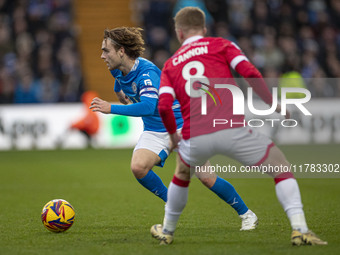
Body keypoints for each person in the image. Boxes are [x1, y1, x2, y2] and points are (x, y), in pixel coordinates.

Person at [151, 7, 327, 246]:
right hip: (231, 127)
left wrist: (173, 137)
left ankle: (168, 232)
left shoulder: (171, 64)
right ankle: (300, 229)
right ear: (204, 29)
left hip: (196, 135)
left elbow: (163, 107)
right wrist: (272, 103)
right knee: (281, 166)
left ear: (179, 33)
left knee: (182, 175)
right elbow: (250, 72)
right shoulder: (222, 45)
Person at [90, 27, 258, 230]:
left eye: (106, 50)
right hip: (154, 129)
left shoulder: (147, 73)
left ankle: (247, 214)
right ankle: (171, 201)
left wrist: (112, 108)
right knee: (138, 167)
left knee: (206, 177)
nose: (102, 55)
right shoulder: (116, 68)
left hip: (181, 126)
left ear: (121, 51)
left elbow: (149, 106)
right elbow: (120, 82)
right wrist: (119, 94)